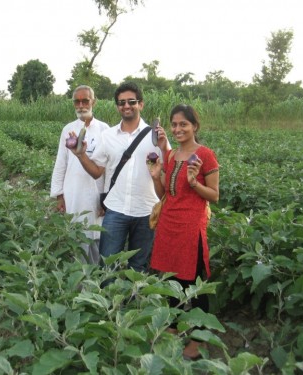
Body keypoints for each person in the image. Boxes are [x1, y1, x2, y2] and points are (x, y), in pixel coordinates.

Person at [70, 82, 170, 272]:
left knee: (138, 267)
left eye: (131, 101)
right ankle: (107, 301)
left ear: (141, 104)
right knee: (107, 266)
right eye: (121, 102)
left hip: (145, 211)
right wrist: (81, 155)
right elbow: (97, 171)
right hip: (115, 209)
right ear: (117, 106)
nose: (126, 106)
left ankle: (132, 302)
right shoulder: (107, 135)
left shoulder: (156, 137)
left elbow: (169, 169)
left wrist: (164, 148)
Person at [148, 104, 219, 360]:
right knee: (169, 279)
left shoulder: (205, 155)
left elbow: (215, 195)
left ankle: (199, 338)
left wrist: (193, 183)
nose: (178, 129)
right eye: (174, 124)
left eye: (183, 124)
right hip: (168, 224)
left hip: (191, 226)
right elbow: (165, 195)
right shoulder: (170, 156)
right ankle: (173, 327)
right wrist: (157, 177)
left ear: (194, 126)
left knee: (193, 283)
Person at [50, 85, 109, 264]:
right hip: (73, 192)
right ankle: (76, 285)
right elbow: (61, 162)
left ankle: (94, 283)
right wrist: (59, 195)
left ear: (94, 102)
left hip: (96, 195)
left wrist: (106, 199)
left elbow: (110, 168)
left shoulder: (105, 130)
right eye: (77, 101)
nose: (81, 105)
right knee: (75, 236)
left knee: (95, 237)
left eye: (85, 100)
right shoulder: (68, 129)